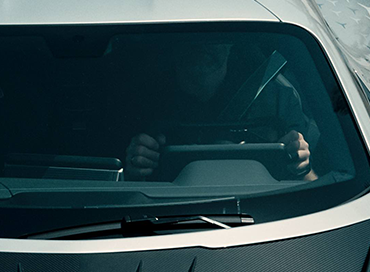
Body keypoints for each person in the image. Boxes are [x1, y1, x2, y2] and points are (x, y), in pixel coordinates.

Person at [122, 35, 313, 182]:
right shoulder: (138, 99)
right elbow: (107, 184)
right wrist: (134, 167)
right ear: (174, 43)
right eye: (192, 36)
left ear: (231, 43)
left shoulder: (277, 98)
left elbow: (314, 182)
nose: (202, 44)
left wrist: (300, 162)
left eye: (214, 37)